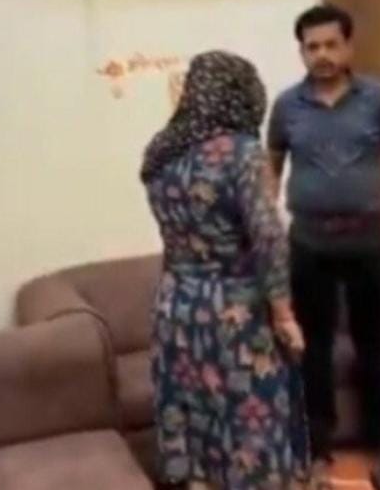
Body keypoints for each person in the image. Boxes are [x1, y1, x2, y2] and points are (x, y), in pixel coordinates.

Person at [140, 51, 310, 490]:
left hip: (176, 306)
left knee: (195, 414)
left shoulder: (161, 153)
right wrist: (284, 313)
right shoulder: (241, 152)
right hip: (235, 308)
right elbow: (267, 235)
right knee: (251, 414)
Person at [267, 5, 380, 471]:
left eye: (331, 44)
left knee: (373, 344)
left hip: (368, 240)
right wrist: (267, 233)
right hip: (309, 244)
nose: (322, 55)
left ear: (349, 45)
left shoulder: (378, 98)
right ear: (302, 52)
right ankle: (316, 441)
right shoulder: (286, 107)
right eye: (312, 47)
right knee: (313, 347)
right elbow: (272, 171)